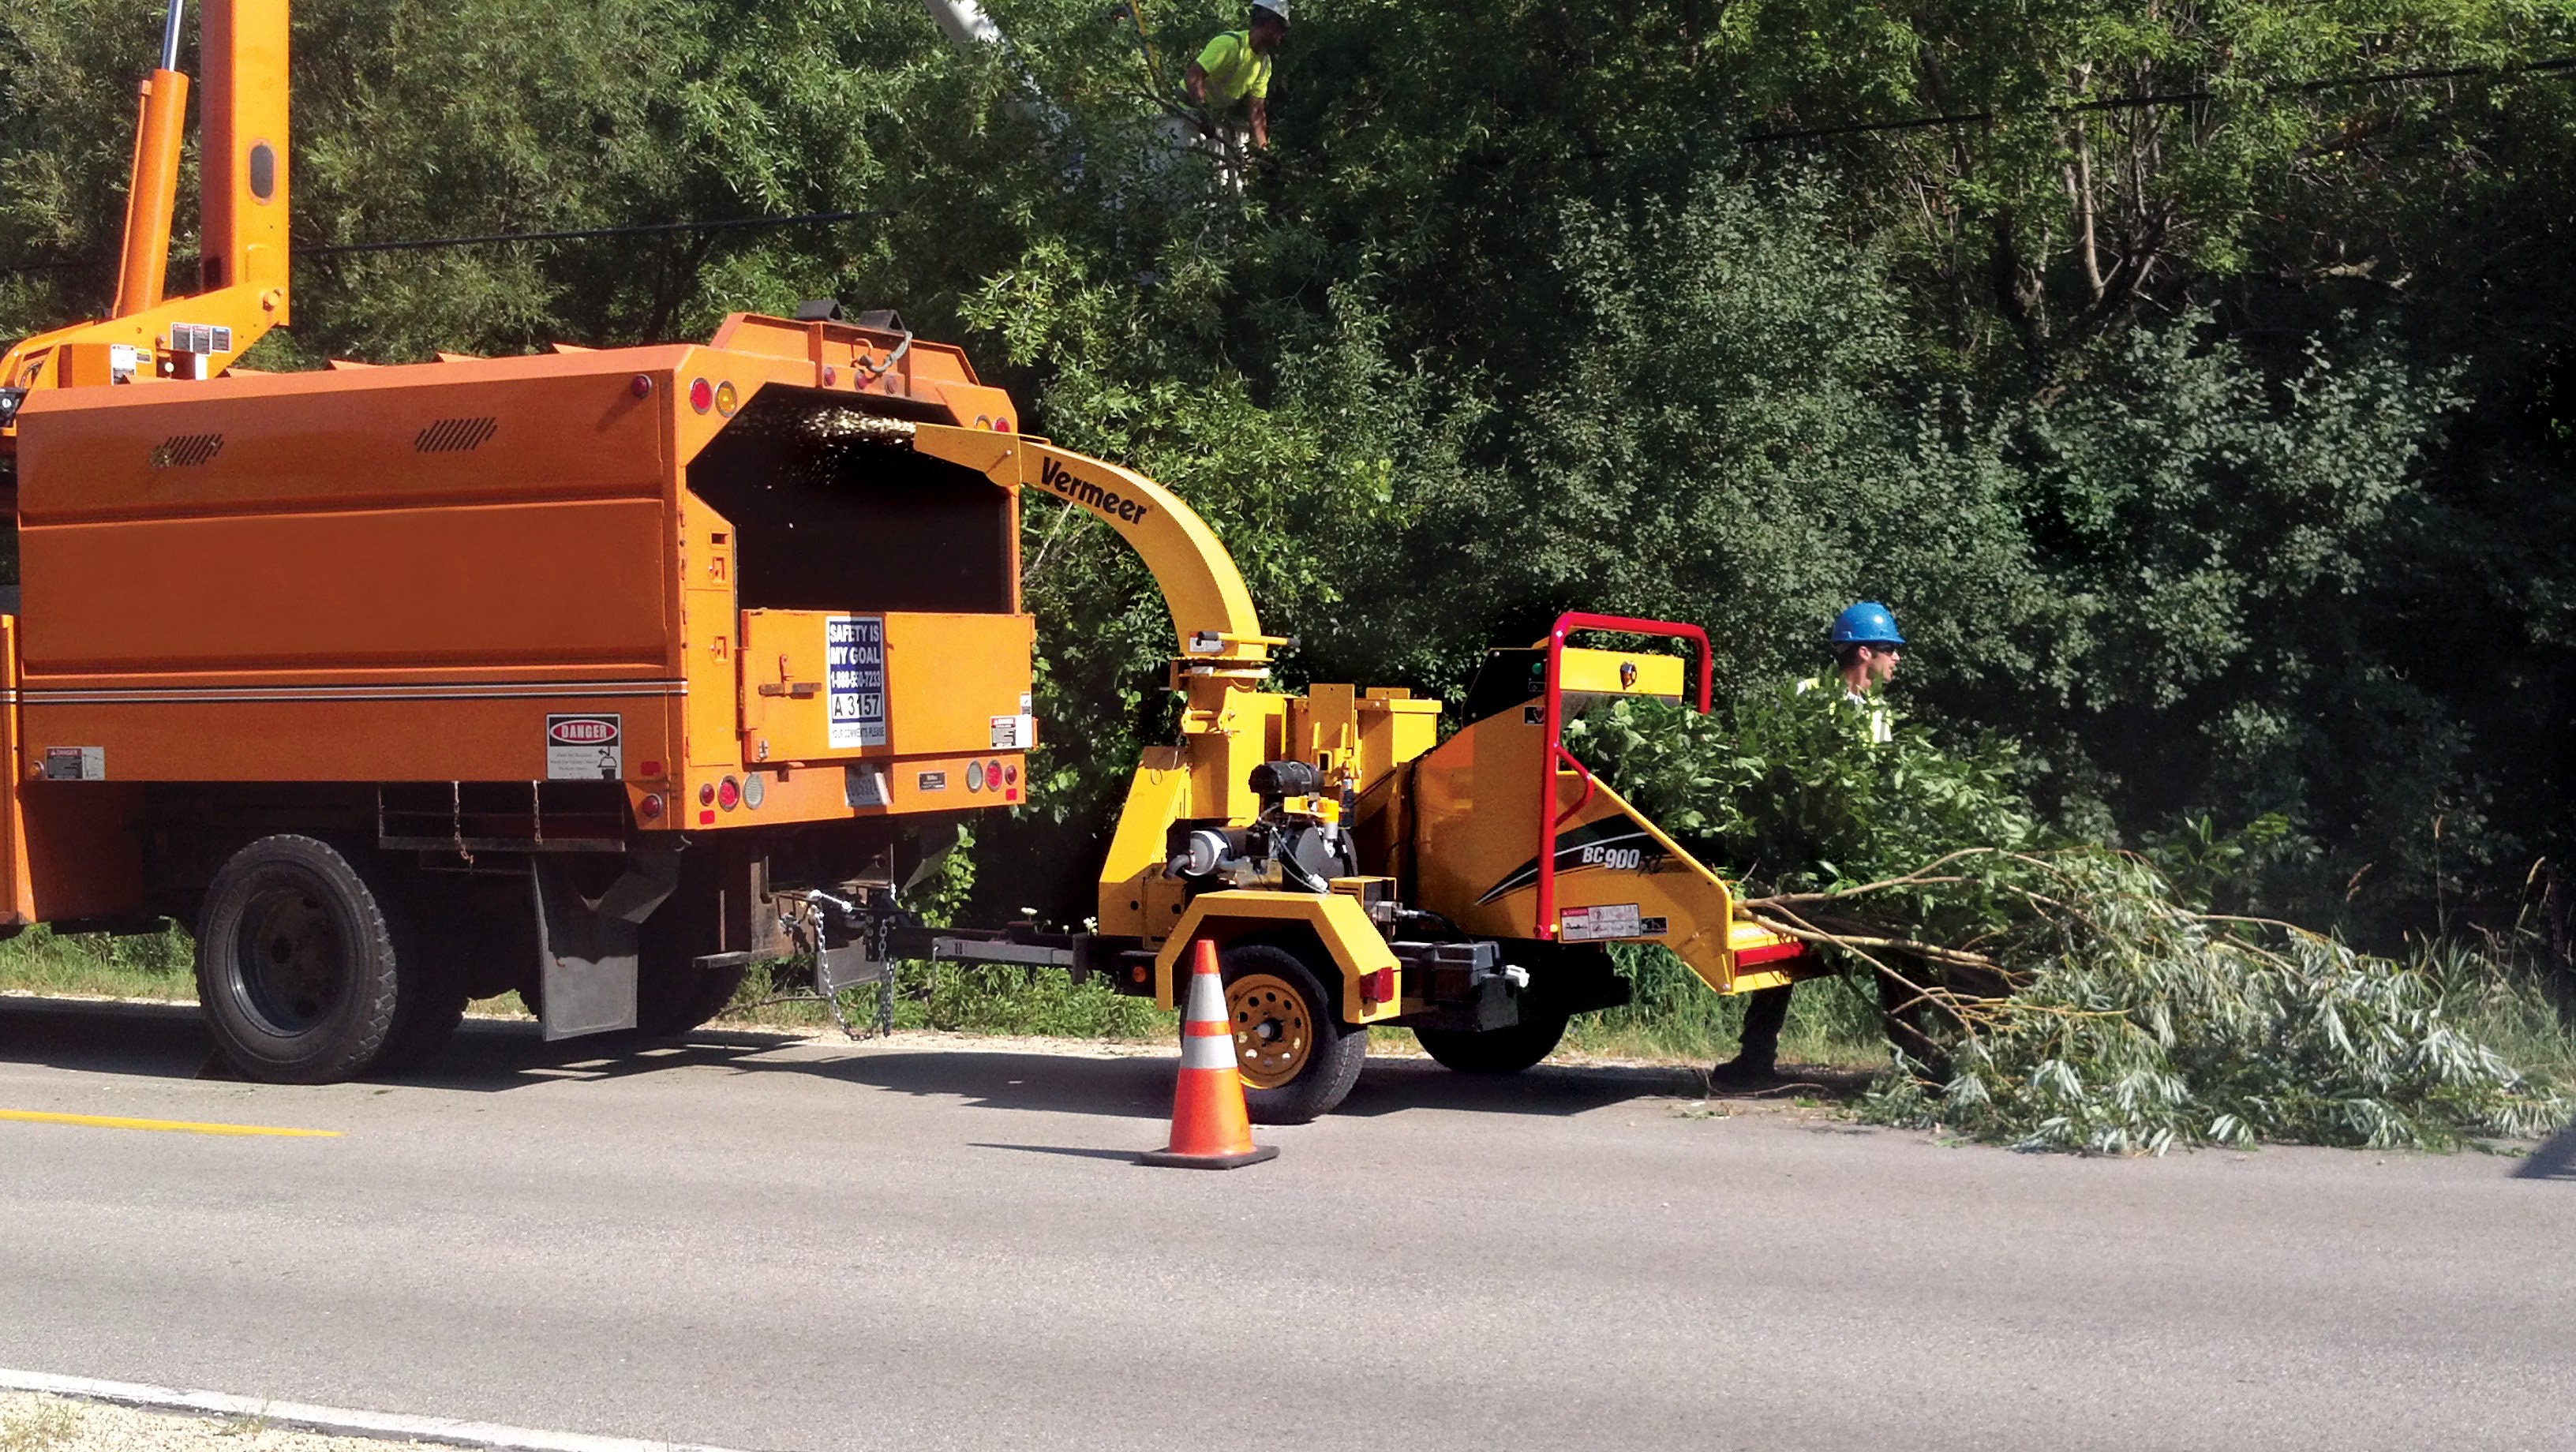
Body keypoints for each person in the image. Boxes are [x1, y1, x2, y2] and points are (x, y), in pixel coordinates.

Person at [1712, 601, 1912, 1087]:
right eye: (1891, 651)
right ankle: (1755, 1059)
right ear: (1864, 652)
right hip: (1799, 851)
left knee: (1889, 946)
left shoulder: (1877, 716)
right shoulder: (1806, 697)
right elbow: (1772, 765)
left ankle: (1914, 1062)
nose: (1897, 660)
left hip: (1851, 854)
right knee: (1780, 954)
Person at [1185, 0, 1287, 178]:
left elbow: (1257, 111)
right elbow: (1193, 76)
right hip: (1186, 113)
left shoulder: (1264, 64)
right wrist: (1203, 113)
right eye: (1282, 29)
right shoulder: (1229, 45)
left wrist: (1264, 152)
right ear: (1271, 24)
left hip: (1209, 120)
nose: (1282, 35)